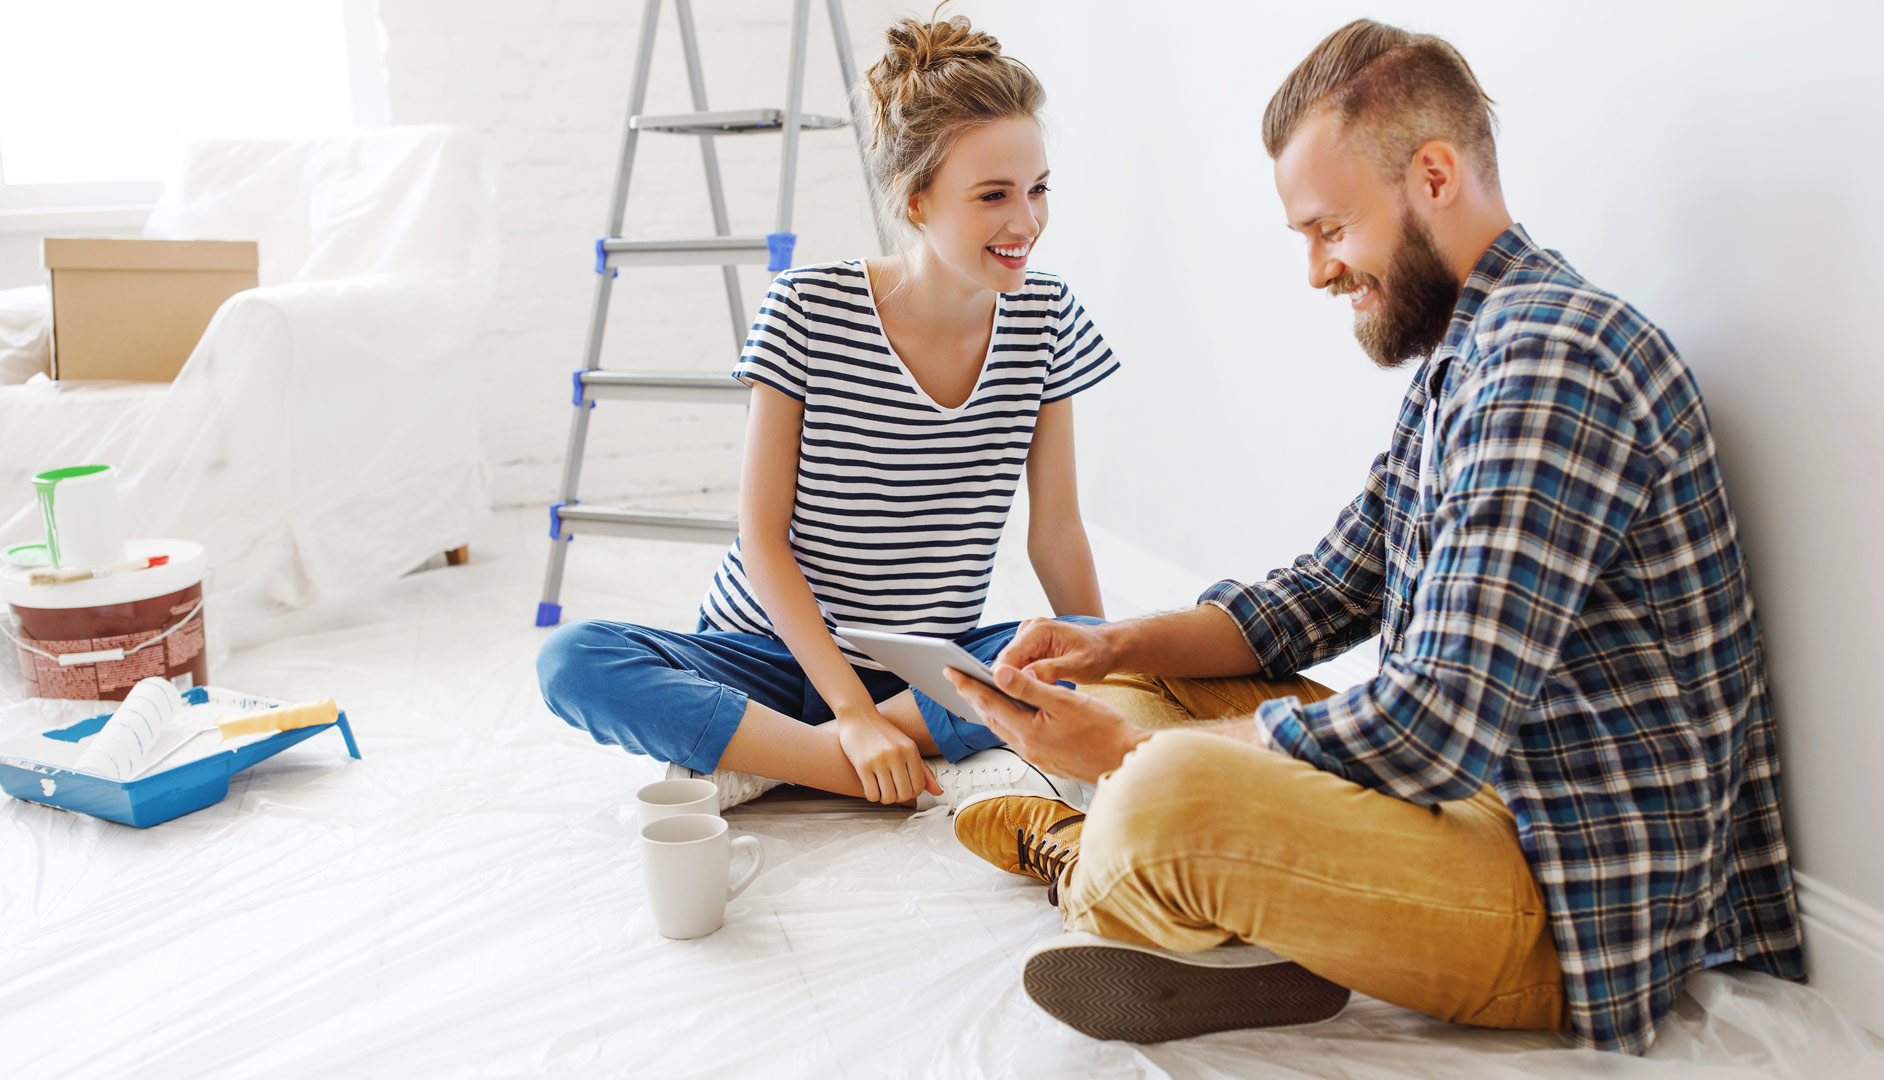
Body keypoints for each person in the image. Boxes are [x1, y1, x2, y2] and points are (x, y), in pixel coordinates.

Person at [942, 18, 1803, 1055]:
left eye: (1329, 229)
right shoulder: (1473, 354)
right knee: (1140, 687)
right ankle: (1203, 898)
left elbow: (1434, 722)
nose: (1317, 272)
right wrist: (1109, 646)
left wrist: (1128, 756)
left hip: (1564, 899)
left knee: (1164, 786)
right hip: (1470, 810)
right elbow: (1319, 595)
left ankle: (1103, 853)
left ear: (1433, 175)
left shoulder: (1553, 364)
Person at [537, 12, 1120, 812]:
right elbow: (761, 538)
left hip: (921, 672)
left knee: (1060, 653)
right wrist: (848, 713)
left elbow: (1057, 534)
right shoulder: (807, 308)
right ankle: (848, 756)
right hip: (770, 654)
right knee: (572, 659)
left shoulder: (1047, 319)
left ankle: (769, 755)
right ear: (916, 201)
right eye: (993, 195)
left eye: (1038, 190)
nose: (1026, 222)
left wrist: (1099, 662)